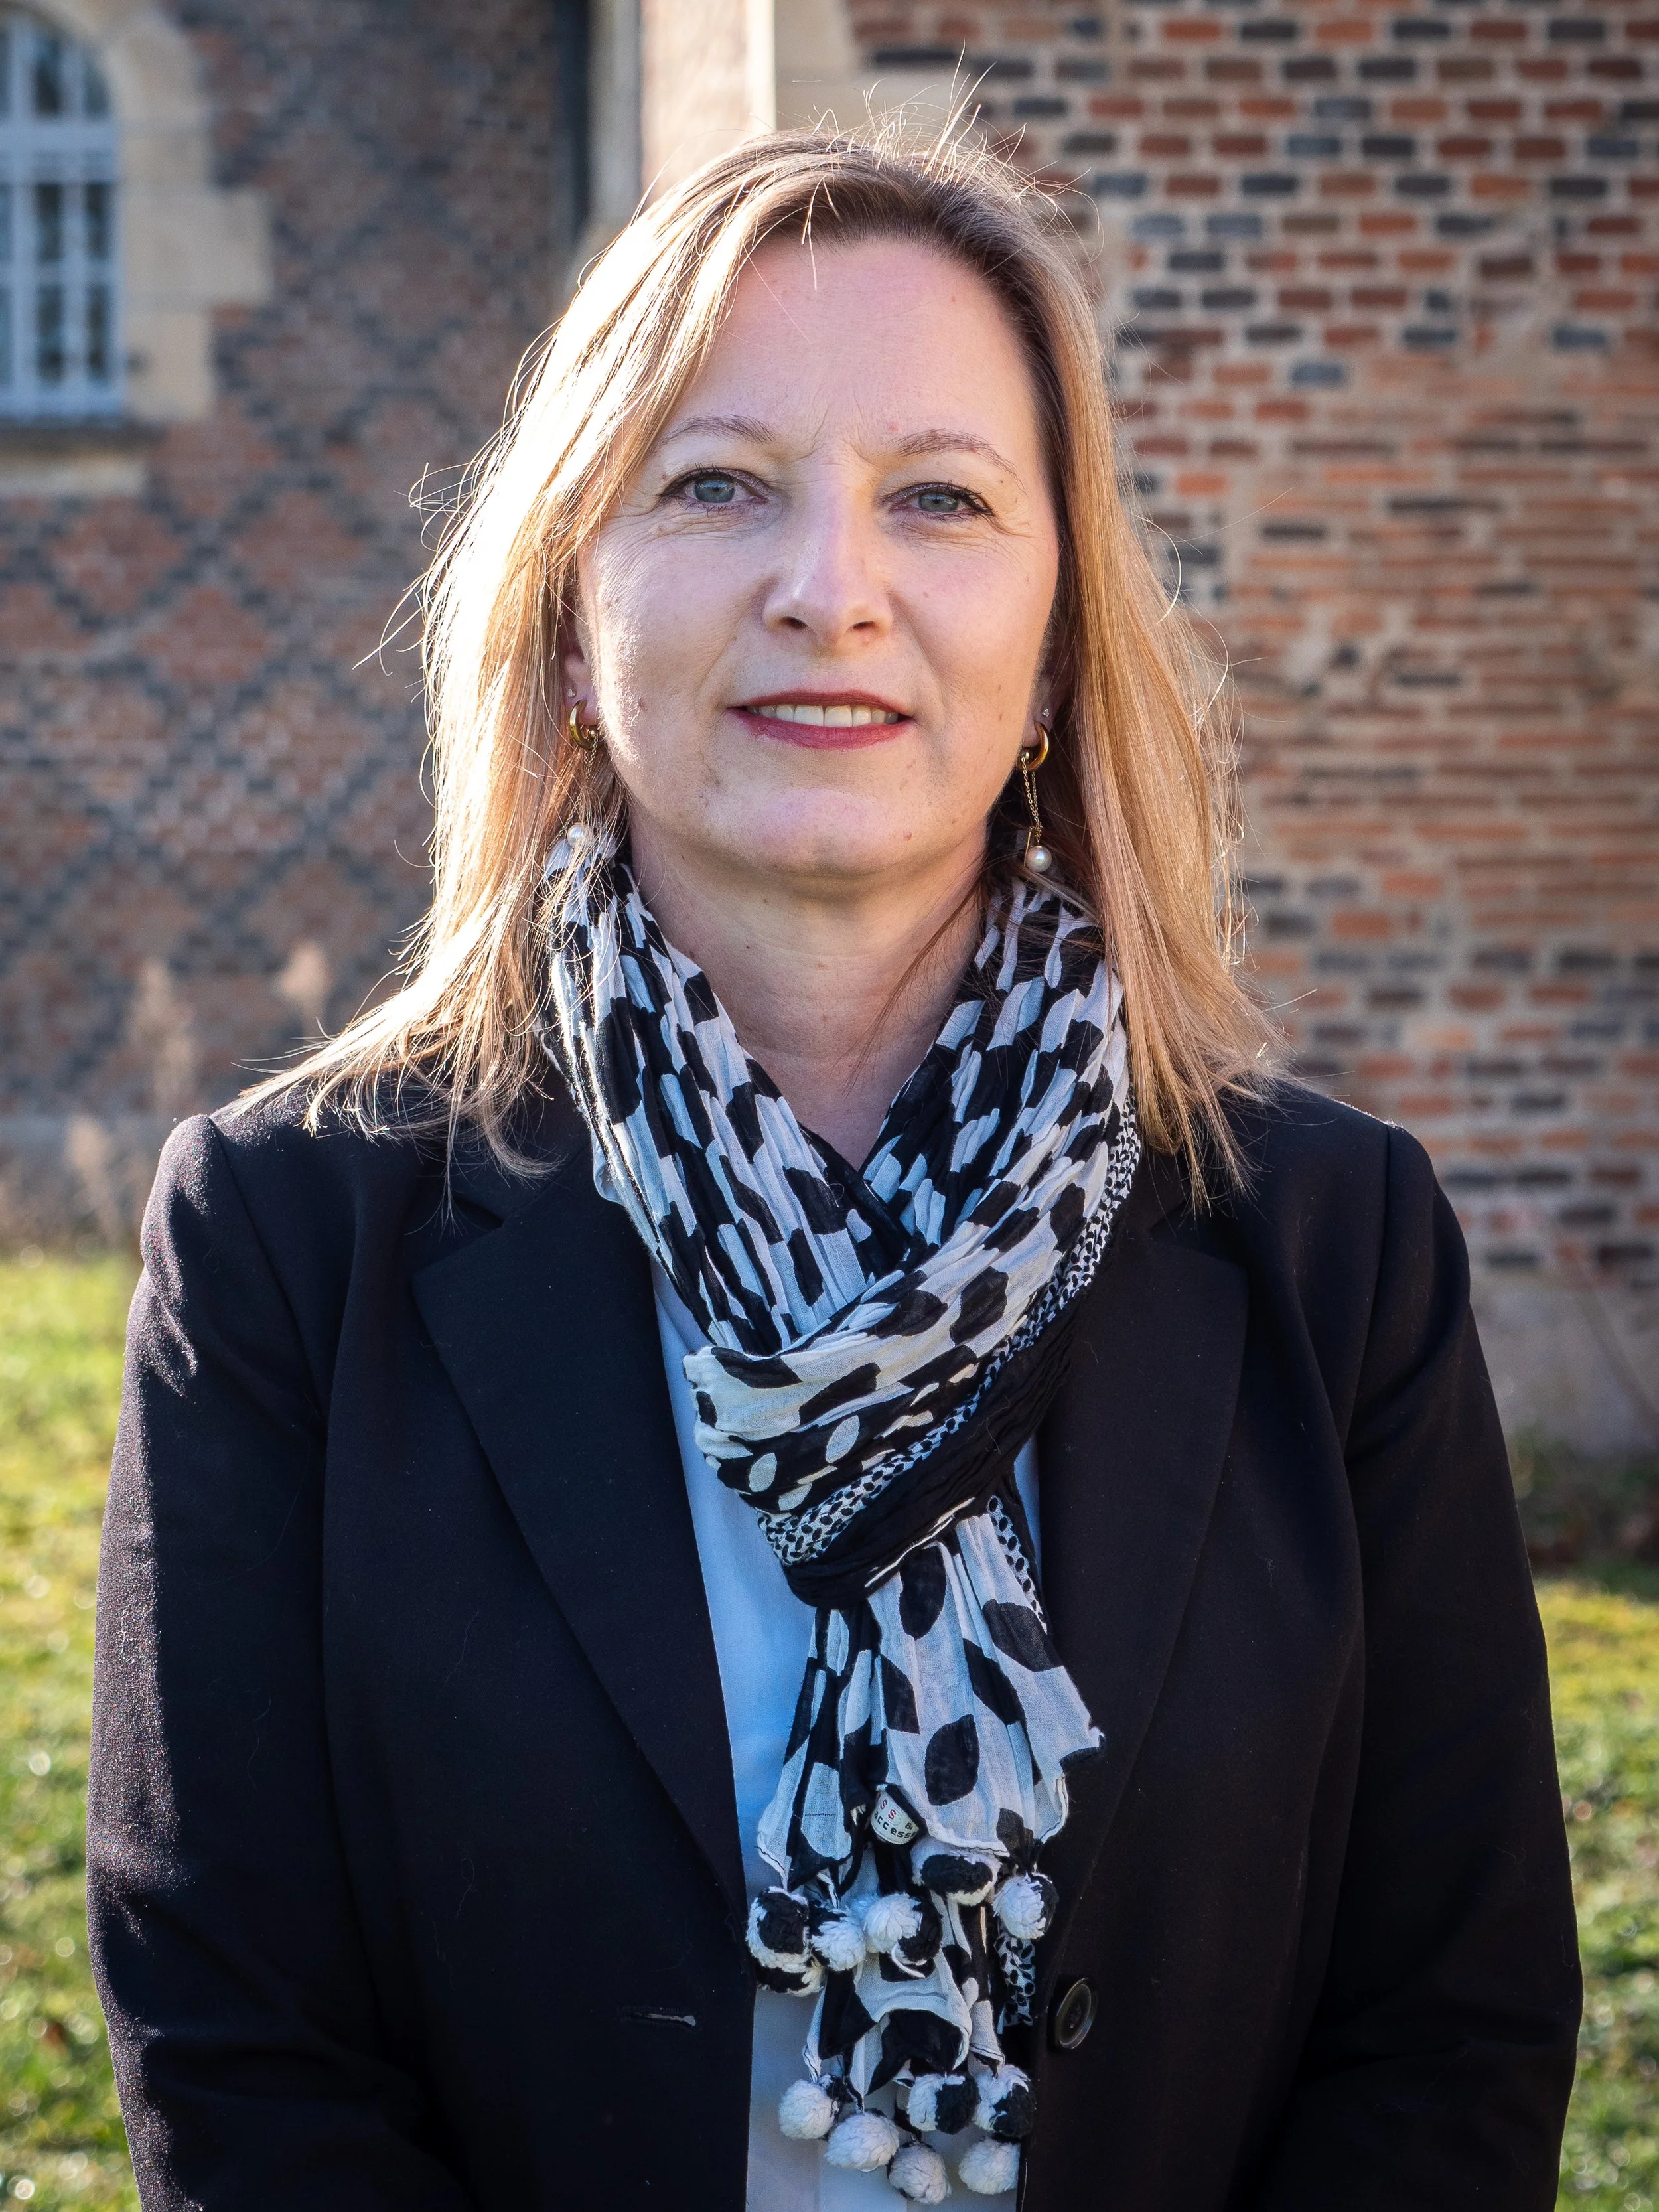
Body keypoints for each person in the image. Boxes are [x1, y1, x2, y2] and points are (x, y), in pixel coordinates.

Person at [88, 128, 1580, 2212]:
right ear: (567, 596)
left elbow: (1450, 2025)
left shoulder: (1326, 1244)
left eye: (942, 498)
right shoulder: (287, 1238)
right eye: (715, 484)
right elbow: (241, 2045)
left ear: (1060, 634)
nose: (831, 587)